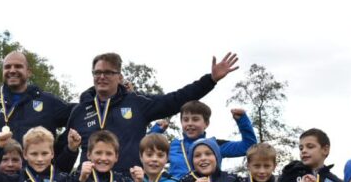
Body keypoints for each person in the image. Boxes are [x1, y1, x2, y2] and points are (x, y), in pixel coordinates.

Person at [60, 51, 239, 173]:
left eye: (108, 72)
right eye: (97, 72)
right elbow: (60, 153)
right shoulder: (80, 111)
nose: (101, 77)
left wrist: (210, 80)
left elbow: (175, 100)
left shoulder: (137, 103)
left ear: (119, 76)